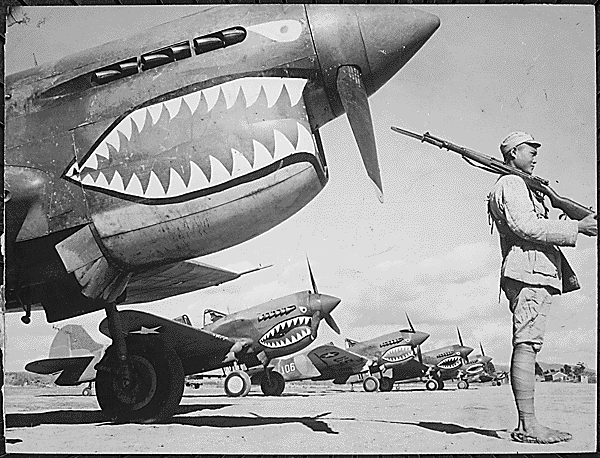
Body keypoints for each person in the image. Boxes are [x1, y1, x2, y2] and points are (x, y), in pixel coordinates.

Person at [487, 131, 597, 444]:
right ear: (512, 153)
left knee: (529, 343)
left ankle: (529, 424)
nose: (535, 155)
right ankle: (528, 426)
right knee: (526, 343)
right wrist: (577, 226)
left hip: (536, 271)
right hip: (529, 272)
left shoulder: (525, 185)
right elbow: (527, 227)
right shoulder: (511, 183)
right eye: (529, 150)